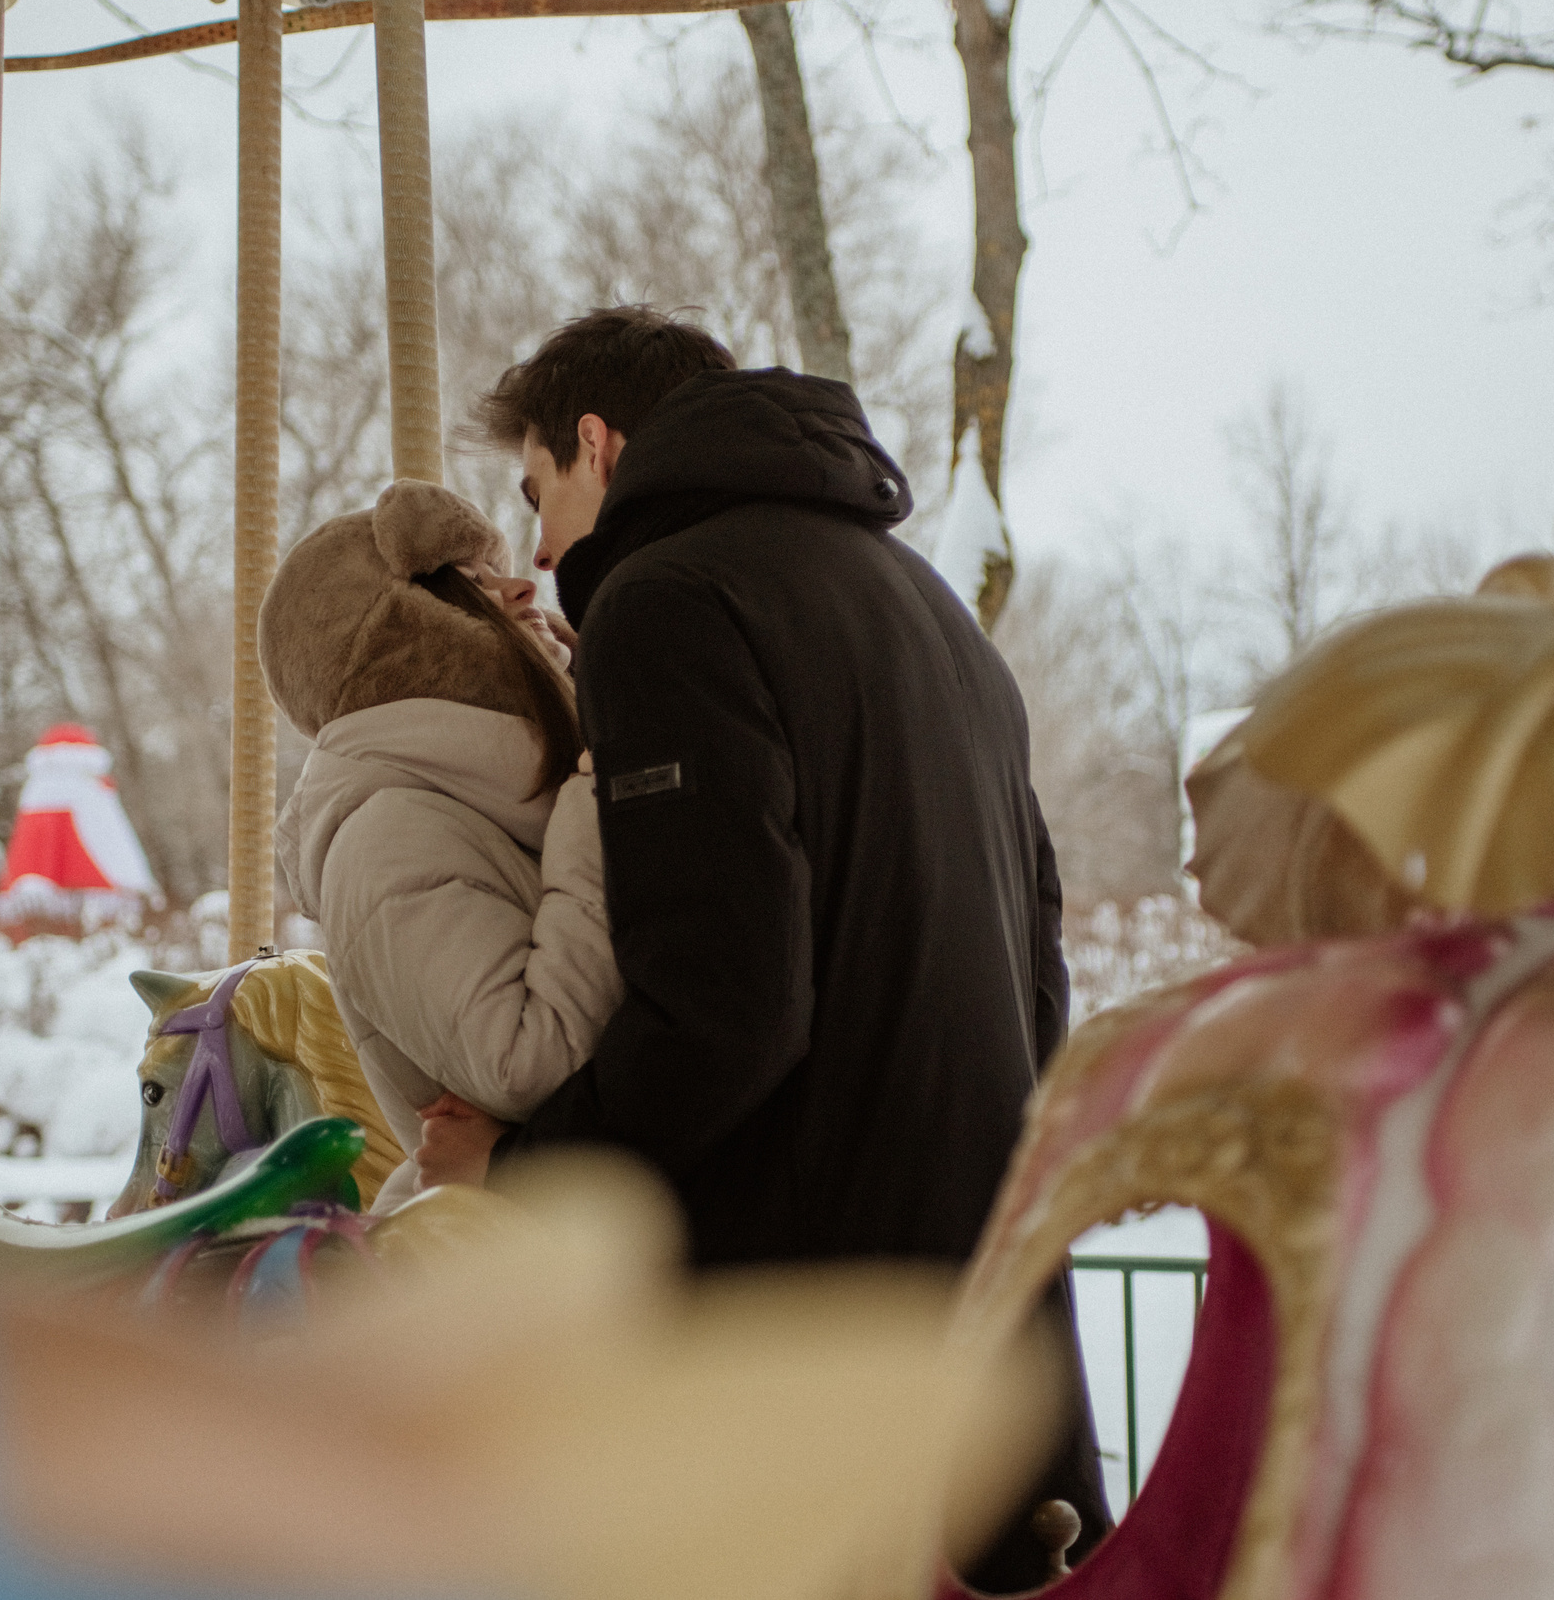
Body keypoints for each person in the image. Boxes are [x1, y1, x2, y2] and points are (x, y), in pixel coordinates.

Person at [421, 306, 1111, 1588]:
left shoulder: (667, 602)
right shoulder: (931, 609)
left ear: (595, 441)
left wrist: (517, 1162)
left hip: (809, 1348)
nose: (538, 544)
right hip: (987, 1323)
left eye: (537, 493)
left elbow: (724, 1003)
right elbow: (1038, 974)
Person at [260, 480, 622, 1216]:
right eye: (478, 586)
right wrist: (599, 805)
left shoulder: (499, 794)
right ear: (407, 633)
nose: (524, 589)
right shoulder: (382, 839)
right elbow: (522, 1062)